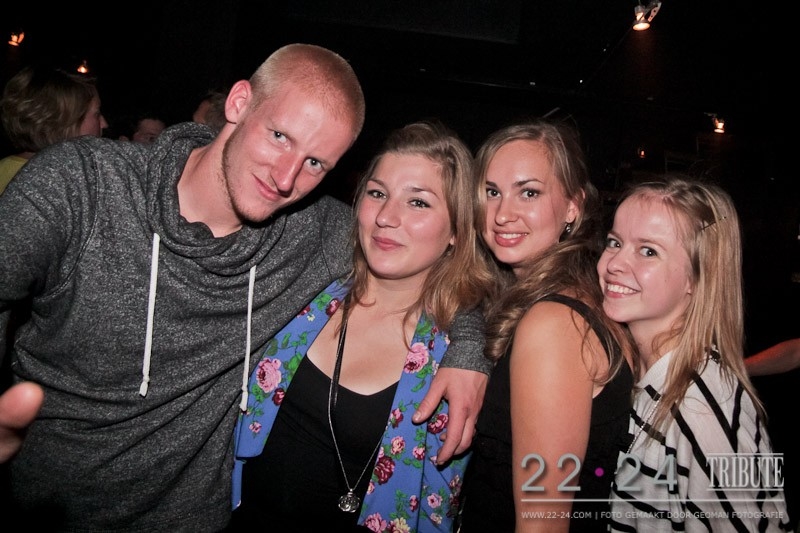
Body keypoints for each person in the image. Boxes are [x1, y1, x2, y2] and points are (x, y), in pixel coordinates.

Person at [0, 43, 489, 531]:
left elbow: (437, 262)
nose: (286, 177)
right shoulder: (81, 183)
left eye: (316, 163)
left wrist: (468, 351)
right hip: (39, 511)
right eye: (279, 136)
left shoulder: (315, 232)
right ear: (238, 103)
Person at [229, 120, 494, 532]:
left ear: (457, 231)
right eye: (377, 193)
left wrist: (474, 345)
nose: (387, 217)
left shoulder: (454, 360)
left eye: (418, 202)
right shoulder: (304, 284)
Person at [456, 119, 635, 532]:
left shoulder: (554, 323)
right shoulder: (576, 296)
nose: (503, 214)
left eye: (529, 192)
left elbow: (544, 524)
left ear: (573, 207)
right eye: (492, 192)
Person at [599, 177, 790, 531]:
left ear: (695, 279)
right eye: (615, 242)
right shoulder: (636, 374)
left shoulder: (702, 406)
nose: (614, 263)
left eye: (648, 251)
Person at [0, 63, 108, 194]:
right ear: (63, 122)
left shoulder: (4, 170)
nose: (104, 124)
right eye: (97, 114)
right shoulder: (65, 181)